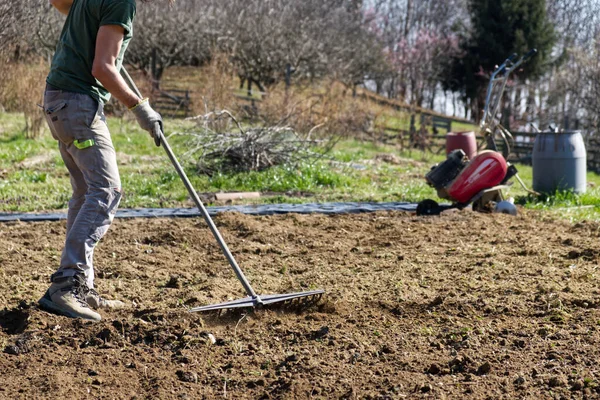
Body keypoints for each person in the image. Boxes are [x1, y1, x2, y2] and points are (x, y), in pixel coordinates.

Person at [39, 0, 166, 321]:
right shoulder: (122, 2)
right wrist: (140, 108)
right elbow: (103, 68)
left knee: (85, 193)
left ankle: (82, 287)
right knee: (106, 190)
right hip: (78, 104)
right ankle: (67, 285)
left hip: (59, 100)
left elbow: (60, 2)